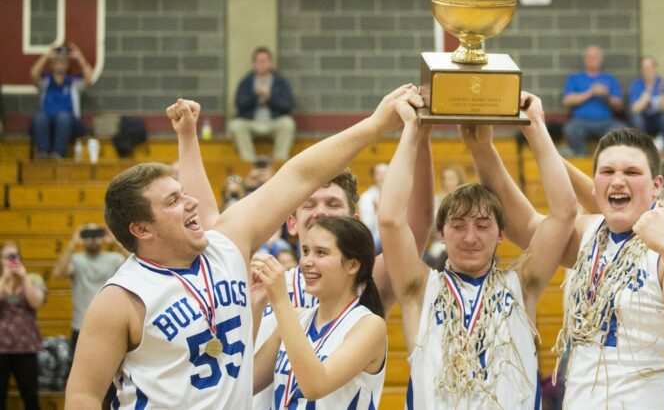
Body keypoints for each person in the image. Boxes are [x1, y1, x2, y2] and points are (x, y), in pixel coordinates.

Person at [64, 87, 413, 409]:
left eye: (183, 192)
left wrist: (375, 124)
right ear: (141, 229)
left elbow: (299, 176)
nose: (190, 203)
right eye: (173, 200)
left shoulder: (225, 245)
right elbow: (83, 395)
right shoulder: (120, 299)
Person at [178, 110, 434, 410]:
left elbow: (412, 228)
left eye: (332, 204)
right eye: (309, 204)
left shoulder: (367, 281)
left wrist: (421, 134)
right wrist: (187, 136)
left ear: (355, 222)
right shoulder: (270, 282)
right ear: (290, 222)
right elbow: (213, 228)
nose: (321, 212)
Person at [485, 127, 664, 407]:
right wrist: (483, 150)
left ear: (656, 185)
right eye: (607, 172)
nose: (618, 181)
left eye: (632, 173)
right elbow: (527, 228)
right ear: (595, 183)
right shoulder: (592, 232)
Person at [380, 91, 577, 407]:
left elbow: (565, 211)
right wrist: (413, 132)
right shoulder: (418, 287)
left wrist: (535, 125)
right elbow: (390, 219)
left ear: (502, 234)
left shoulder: (523, 284)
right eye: (458, 225)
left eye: (482, 226)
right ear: (442, 234)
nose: (470, 237)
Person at [251, 216, 386, 409]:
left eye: (320, 253)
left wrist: (280, 300)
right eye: (305, 251)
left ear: (353, 265)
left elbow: (315, 386)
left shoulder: (369, 325)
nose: (306, 261)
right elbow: (242, 385)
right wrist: (256, 306)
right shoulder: (296, 318)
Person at [51, 224, 127, 354]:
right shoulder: (76, 260)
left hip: (110, 325)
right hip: (81, 325)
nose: (92, 238)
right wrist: (72, 244)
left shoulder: (114, 259)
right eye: (88, 234)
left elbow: (137, 264)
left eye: (97, 234)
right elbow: (58, 272)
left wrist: (116, 241)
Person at [228, 47, 296, 163]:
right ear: (254, 63)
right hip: (251, 122)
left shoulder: (280, 82)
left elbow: (288, 105)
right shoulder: (246, 82)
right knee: (235, 125)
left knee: (288, 124)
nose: (262, 64)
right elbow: (239, 105)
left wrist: (270, 97)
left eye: (264, 61)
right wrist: (255, 95)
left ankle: (279, 162)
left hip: (274, 121)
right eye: (258, 61)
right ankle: (249, 162)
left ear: (270, 63)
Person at [0, 241, 47, 410]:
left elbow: (36, 302)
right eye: (8, 257)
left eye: (16, 256)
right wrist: (4, 279)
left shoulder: (33, 278)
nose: (13, 260)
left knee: (30, 397)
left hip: (26, 347)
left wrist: (23, 279)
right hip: (1, 348)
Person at [30, 43, 93, 159]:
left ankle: (58, 154)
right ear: (52, 65)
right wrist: (46, 56)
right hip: (47, 123)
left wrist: (80, 58)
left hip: (70, 124)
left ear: (67, 65)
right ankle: (42, 153)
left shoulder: (73, 83)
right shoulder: (46, 81)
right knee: (40, 117)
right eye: (57, 62)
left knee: (63, 117)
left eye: (63, 62)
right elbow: (34, 73)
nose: (60, 64)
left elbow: (89, 77)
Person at [561, 45, 625, 156]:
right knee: (570, 129)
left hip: (606, 122)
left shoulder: (610, 79)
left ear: (601, 59)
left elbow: (619, 105)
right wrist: (590, 92)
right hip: (581, 122)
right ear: (585, 59)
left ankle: (609, 158)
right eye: (589, 57)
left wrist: (606, 95)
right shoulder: (575, 78)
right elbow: (567, 100)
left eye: (595, 57)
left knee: (620, 129)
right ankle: (580, 156)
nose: (592, 60)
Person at [627, 55, 664, 152]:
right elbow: (634, 110)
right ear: (641, 70)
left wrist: (662, 94)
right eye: (644, 68)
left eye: (650, 67)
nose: (647, 70)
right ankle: (642, 150)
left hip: (658, 120)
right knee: (636, 119)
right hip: (643, 120)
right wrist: (648, 90)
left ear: (655, 68)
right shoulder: (636, 84)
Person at [357, 162, 387, 252]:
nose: (383, 177)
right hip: (374, 240)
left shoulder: (397, 196)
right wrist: (376, 211)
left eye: (386, 174)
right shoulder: (366, 198)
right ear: (374, 176)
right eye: (380, 174)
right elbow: (367, 228)